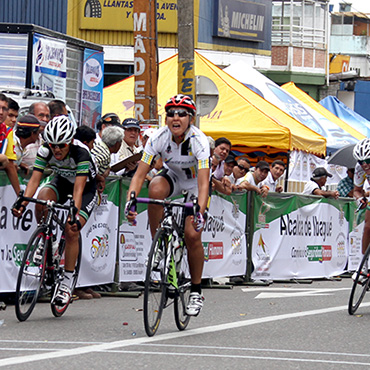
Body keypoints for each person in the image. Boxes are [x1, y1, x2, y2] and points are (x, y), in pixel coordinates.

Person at [126, 94, 210, 316]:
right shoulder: (158, 137)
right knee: (154, 187)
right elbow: (139, 175)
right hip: (173, 177)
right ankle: (159, 245)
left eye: (182, 114)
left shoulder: (199, 141)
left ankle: (196, 290)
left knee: (192, 236)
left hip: (194, 185)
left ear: (190, 118)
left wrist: (199, 212)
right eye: (171, 113)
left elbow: (203, 185)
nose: (176, 117)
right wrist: (130, 201)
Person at [12, 116, 97, 306]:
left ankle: (67, 282)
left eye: (61, 145)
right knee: (42, 198)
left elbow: (79, 189)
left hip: (85, 190)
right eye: (53, 145)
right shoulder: (45, 151)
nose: (56, 150)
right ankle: (44, 240)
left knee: (71, 229)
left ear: (70, 142)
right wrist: (23, 203)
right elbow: (35, 180)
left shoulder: (81, 153)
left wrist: (74, 213)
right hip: (63, 182)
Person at [352, 139, 370, 279]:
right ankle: (363, 267)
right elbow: (356, 190)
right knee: (368, 227)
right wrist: (360, 199)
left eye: (368, 161)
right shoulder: (360, 169)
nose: (365, 165)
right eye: (361, 162)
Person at [0, 93, 20, 195]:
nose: (0, 112)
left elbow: (10, 166)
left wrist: (20, 196)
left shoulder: (7, 131)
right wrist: (2, 158)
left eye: (4, 109)